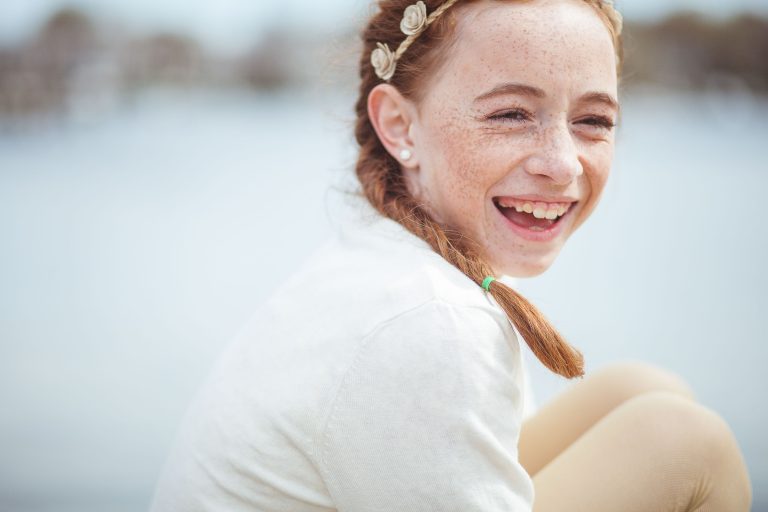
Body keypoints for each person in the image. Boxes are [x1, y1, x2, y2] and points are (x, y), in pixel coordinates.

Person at [150, 0, 752, 510]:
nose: (563, 163)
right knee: (688, 445)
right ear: (400, 126)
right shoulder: (427, 322)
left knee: (642, 390)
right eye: (511, 114)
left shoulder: (384, 256)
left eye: (593, 119)